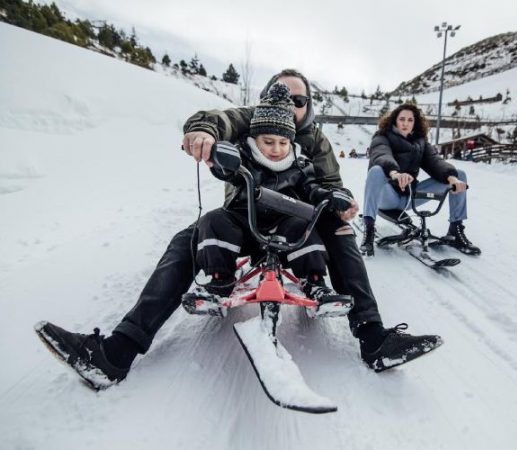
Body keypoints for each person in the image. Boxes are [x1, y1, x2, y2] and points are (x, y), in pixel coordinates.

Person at [35, 70, 442, 390]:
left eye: (299, 98)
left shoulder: (315, 143)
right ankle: (116, 352)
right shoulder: (252, 119)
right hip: (242, 221)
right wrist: (203, 133)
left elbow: (330, 187)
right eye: (281, 94)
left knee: (340, 232)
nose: (290, 104)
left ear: (308, 105)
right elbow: (213, 119)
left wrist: (343, 203)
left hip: (299, 224)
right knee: (188, 237)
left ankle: (373, 338)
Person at [188, 83, 352, 306]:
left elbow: (314, 189)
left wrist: (330, 197)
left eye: (283, 142)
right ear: (255, 139)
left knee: (305, 225)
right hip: (246, 225)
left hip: (284, 229)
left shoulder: (301, 166)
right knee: (214, 220)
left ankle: (315, 281)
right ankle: (220, 279)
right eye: (268, 142)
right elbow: (227, 171)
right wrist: (220, 161)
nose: (276, 149)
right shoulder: (244, 159)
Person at [360, 104, 481, 257]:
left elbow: (435, 161)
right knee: (376, 171)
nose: (405, 123)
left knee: (459, 175)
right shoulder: (382, 137)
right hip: (387, 196)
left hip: (410, 196)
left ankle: (455, 230)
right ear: (394, 121)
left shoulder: (420, 142)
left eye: (410, 120)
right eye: (402, 119)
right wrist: (395, 174)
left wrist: (451, 178)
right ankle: (369, 229)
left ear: (415, 123)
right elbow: (381, 155)